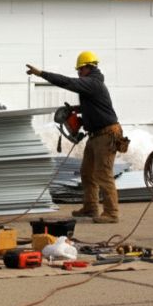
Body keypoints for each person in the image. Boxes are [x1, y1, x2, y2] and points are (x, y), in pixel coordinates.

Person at [26, 51, 123, 224]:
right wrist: (78, 110)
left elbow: (67, 82)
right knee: (87, 172)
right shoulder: (92, 84)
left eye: (80, 70)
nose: (78, 73)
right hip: (96, 135)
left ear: (88, 68)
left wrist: (41, 74)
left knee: (103, 174)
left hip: (107, 135)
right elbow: (94, 105)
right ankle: (91, 207)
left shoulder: (92, 83)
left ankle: (111, 213)